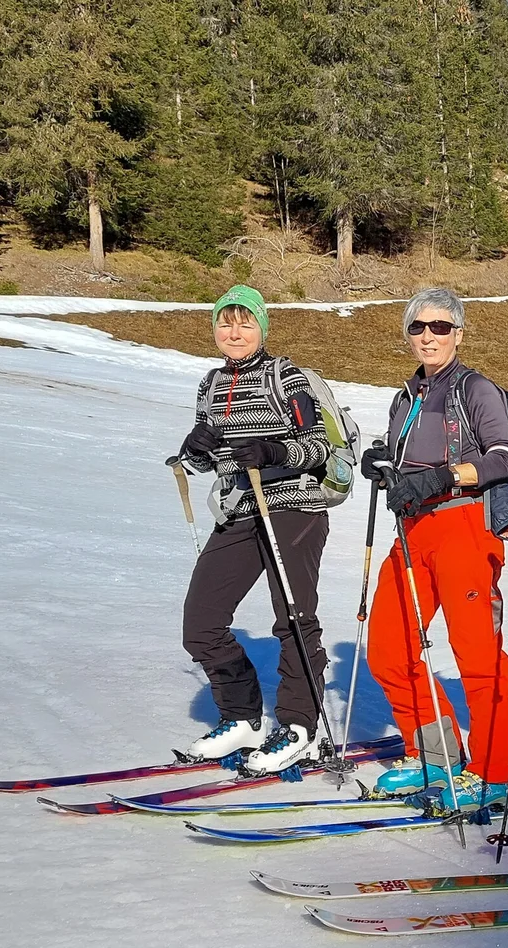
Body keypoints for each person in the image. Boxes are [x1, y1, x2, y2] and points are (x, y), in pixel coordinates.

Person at [358, 288, 508, 811]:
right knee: (388, 650)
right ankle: (435, 755)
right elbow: (405, 458)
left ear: (458, 333)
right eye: (418, 327)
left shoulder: (474, 389)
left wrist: (444, 476)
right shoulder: (406, 396)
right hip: (413, 532)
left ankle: (500, 773)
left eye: (440, 326)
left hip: (464, 527)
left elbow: (505, 457)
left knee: (477, 655)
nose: (428, 336)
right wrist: (382, 461)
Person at [177, 285, 333, 775]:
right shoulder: (209, 384)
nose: (235, 332)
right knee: (201, 623)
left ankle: (300, 727)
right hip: (240, 510)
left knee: (293, 619)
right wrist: (195, 447)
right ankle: (242, 718)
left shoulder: (285, 376)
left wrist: (272, 452)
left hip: (293, 508)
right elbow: (205, 462)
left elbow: (318, 448)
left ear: (262, 328)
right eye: (226, 323)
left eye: (245, 323)